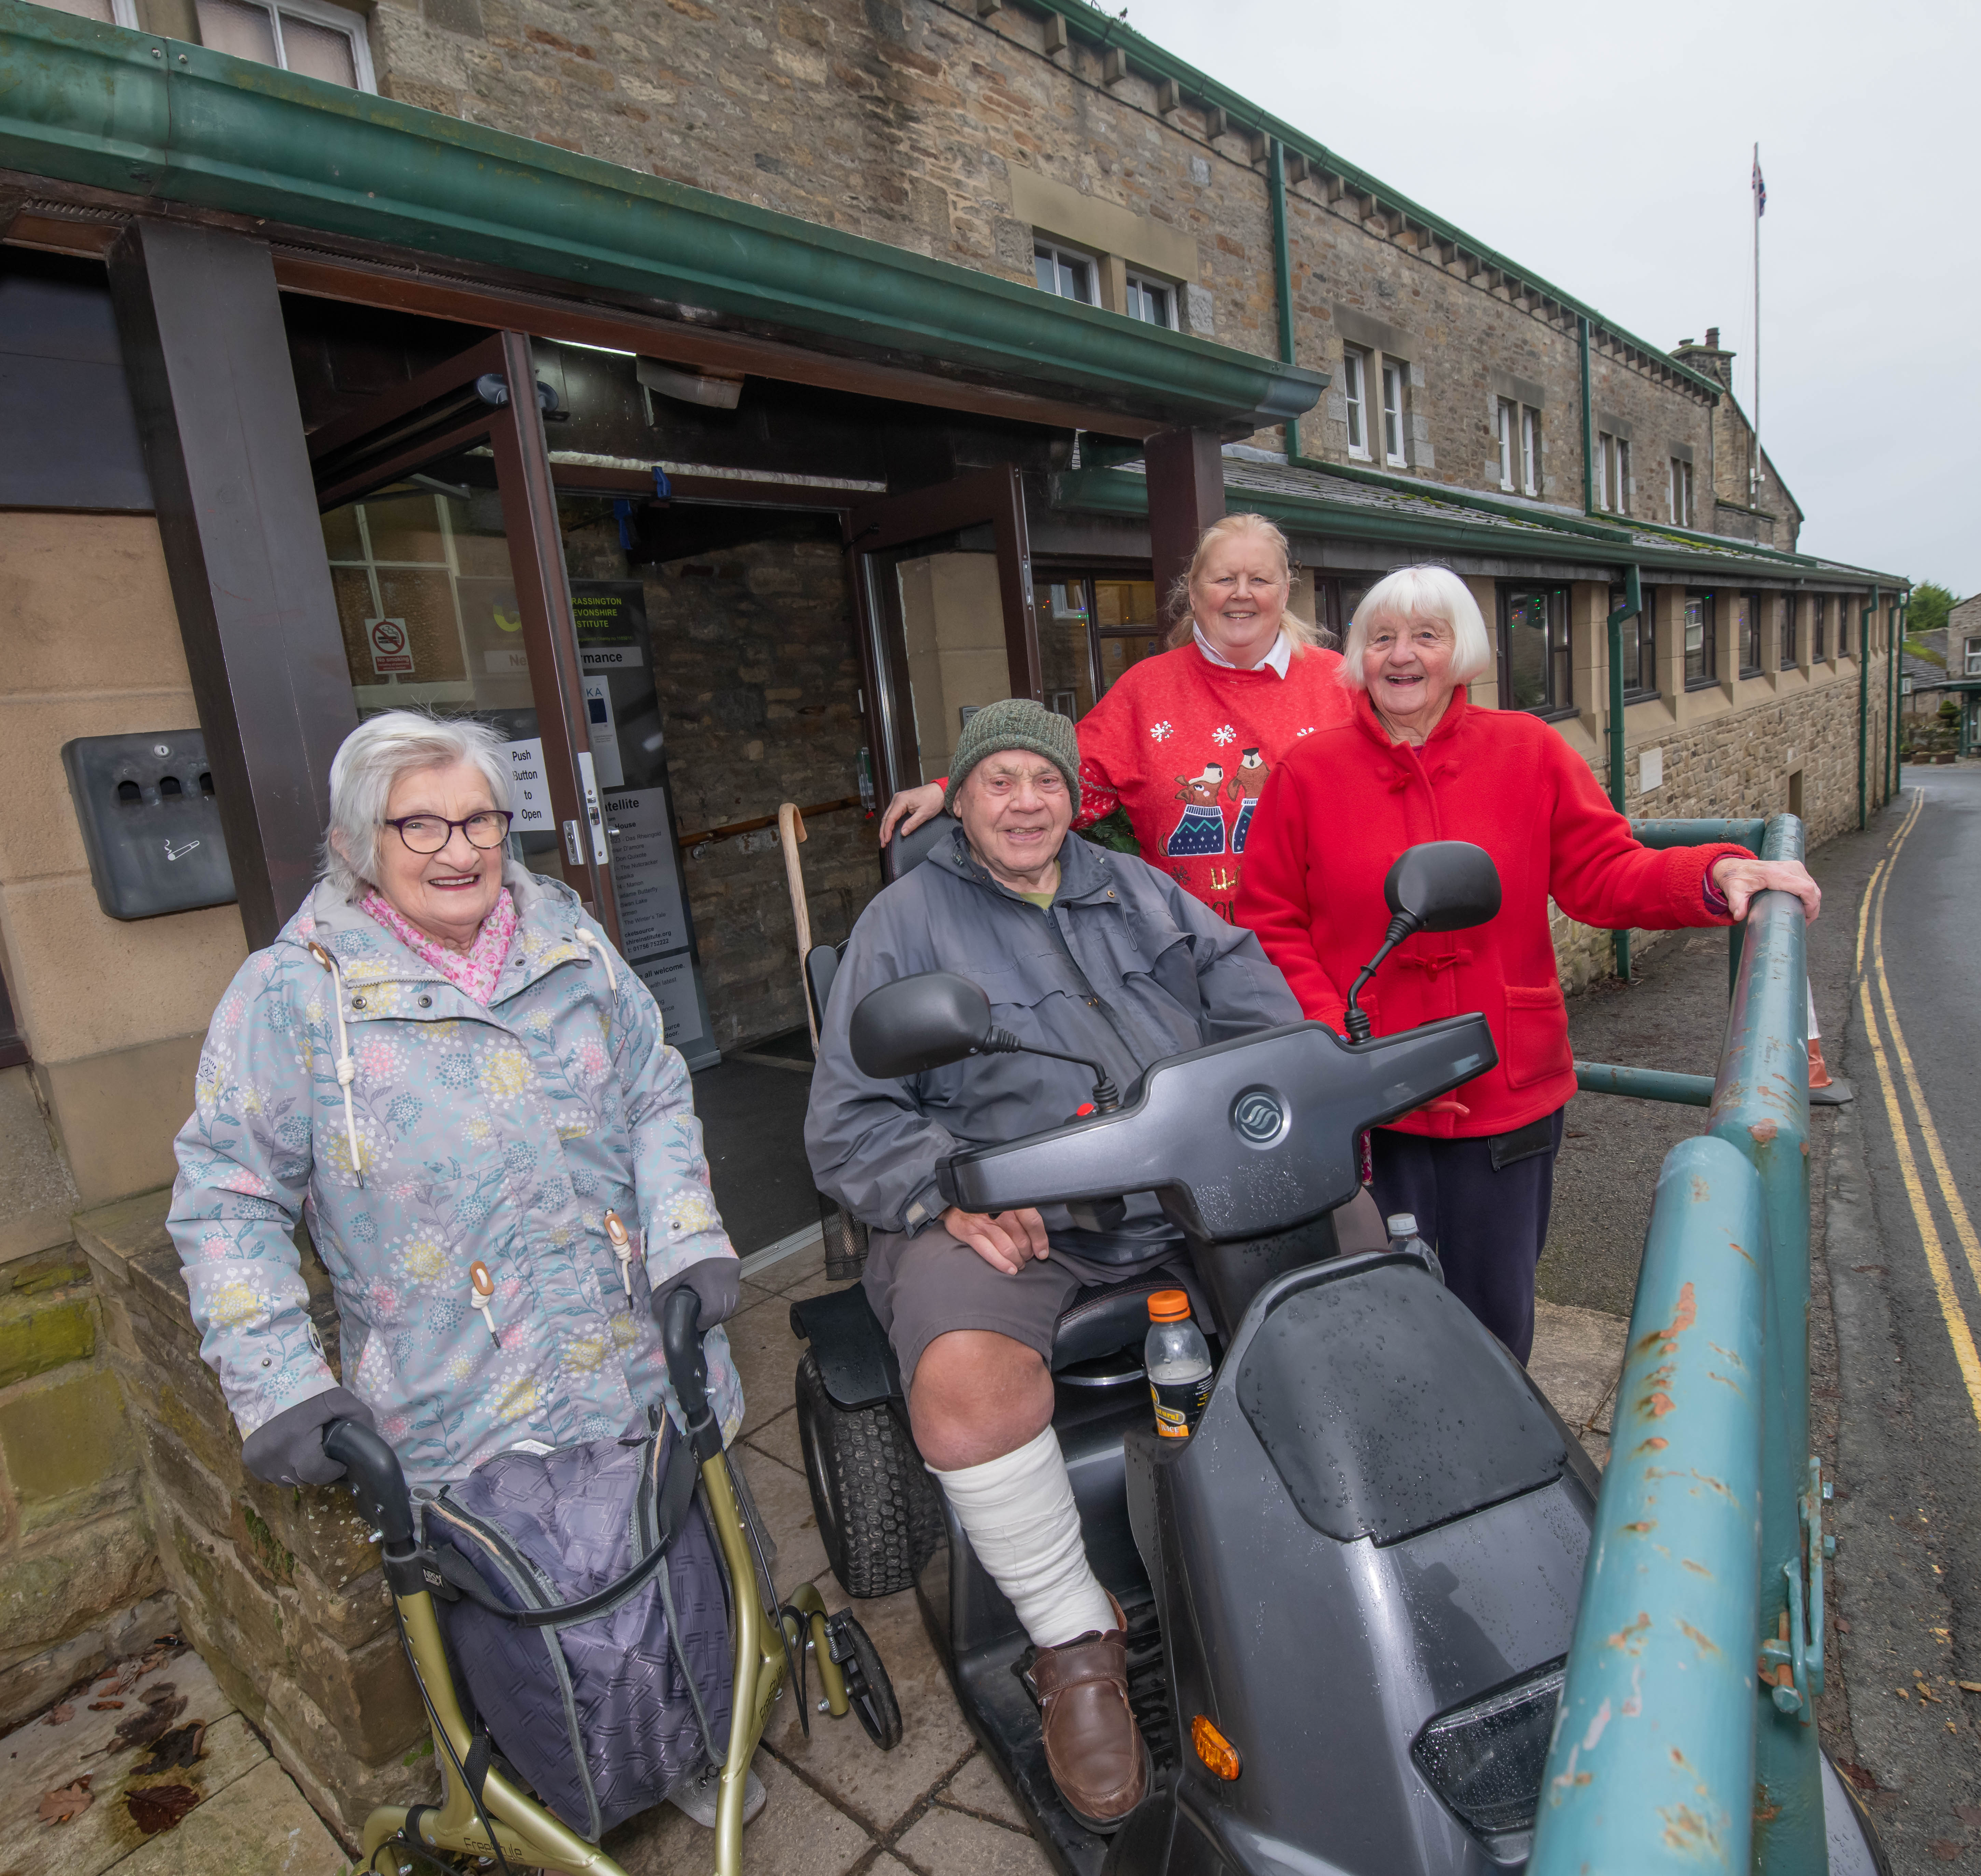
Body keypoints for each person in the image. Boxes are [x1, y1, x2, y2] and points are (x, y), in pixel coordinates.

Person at [167, 709, 760, 1828]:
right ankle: (563, 1784)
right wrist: (282, 1382)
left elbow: (654, 1093)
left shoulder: (568, 941)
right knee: (519, 1614)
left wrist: (688, 1236)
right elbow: (227, 1195)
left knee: (677, 1558)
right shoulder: (295, 995)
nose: (458, 848)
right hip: (461, 1390)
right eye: (419, 824)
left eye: (478, 817)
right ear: (357, 843)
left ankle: (695, 1739)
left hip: (635, 1349)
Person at [807, 697, 1383, 1833]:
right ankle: (1074, 1638)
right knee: (968, 1389)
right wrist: (940, 1189)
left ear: (1076, 797)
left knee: (1356, 1264)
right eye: (999, 781)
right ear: (959, 798)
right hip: (1010, 1209)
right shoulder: (904, 922)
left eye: (1046, 782)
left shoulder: (1147, 890)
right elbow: (848, 1120)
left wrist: (1275, 1113)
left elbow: (1258, 1014)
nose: (1025, 803)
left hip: (1176, 1180)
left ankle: (1348, 1537)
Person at [1236, 565, 1822, 1364]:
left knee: (1497, 1312)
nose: (1401, 655)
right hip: (1367, 1096)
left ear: (1463, 653)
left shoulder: (1530, 751)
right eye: (1381, 638)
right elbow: (1273, 919)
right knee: (1378, 1313)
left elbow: (1605, 872)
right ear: (1359, 657)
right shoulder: (1309, 773)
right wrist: (1333, 1036)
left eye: (1426, 636)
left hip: (1504, 1089)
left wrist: (1713, 874)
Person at [878, 512, 1353, 924]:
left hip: (1326, 951)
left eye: (1260, 580)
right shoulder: (1146, 690)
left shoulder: (1341, 682)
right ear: (1192, 591)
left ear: (1285, 590)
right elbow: (1061, 777)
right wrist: (950, 788)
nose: (1241, 594)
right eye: (1224, 579)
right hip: (1196, 959)